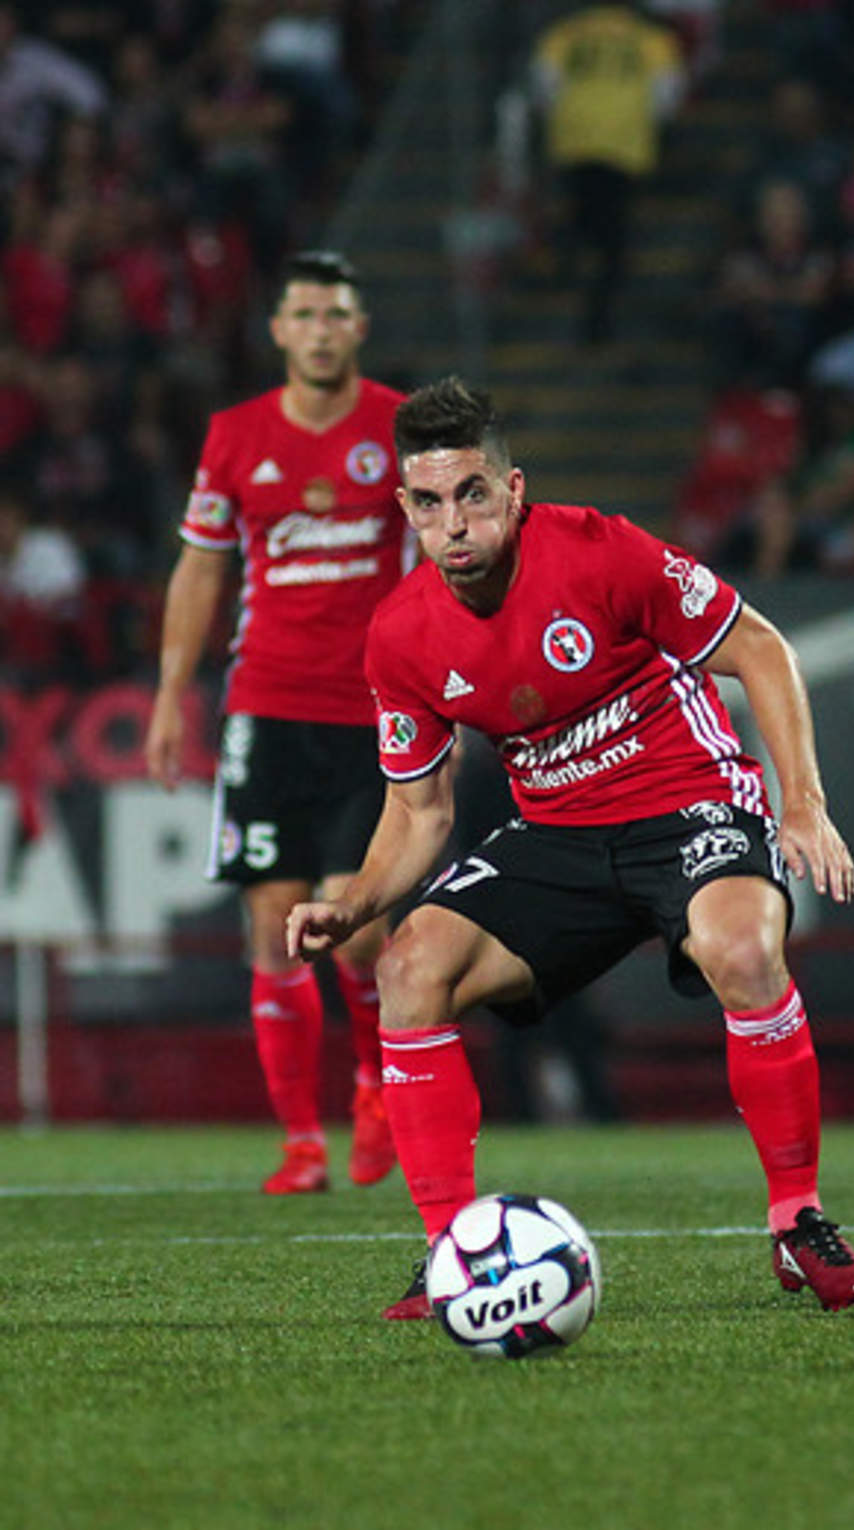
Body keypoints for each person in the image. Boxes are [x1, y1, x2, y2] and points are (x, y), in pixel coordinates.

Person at [286, 376, 854, 1318]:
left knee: (742, 949)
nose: (455, 523)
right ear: (405, 508)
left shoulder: (602, 551)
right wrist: (355, 904)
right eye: (430, 503)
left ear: (513, 489)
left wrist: (802, 803)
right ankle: (454, 1255)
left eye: (473, 494)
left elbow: (761, 648)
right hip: (558, 832)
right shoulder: (400, 635)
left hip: (687, 801)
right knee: (409, 969)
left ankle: (797, 1221)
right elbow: (419, 813)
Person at [146, 250, 413, 1195]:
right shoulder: (235, 436)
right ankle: (302, 1142)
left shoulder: (399, 428)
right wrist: (172, 692)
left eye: (336, 314)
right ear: (279, 331)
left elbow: (439, 559)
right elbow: (200, 568)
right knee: (272, 929)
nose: (320, 330)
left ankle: (375, 1083)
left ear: (359, 328)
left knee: (357, 929)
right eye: (304, 314)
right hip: (265, 705)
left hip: (373, 711)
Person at [529, 3, 685, 345]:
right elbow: (667, 96)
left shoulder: (563, 34)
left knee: (586, 214)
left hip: (574, 142)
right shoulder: (653, 40)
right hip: (623, 146)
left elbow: (543, 87)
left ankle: (568, 257)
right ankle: (596, 315)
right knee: (614, 236)